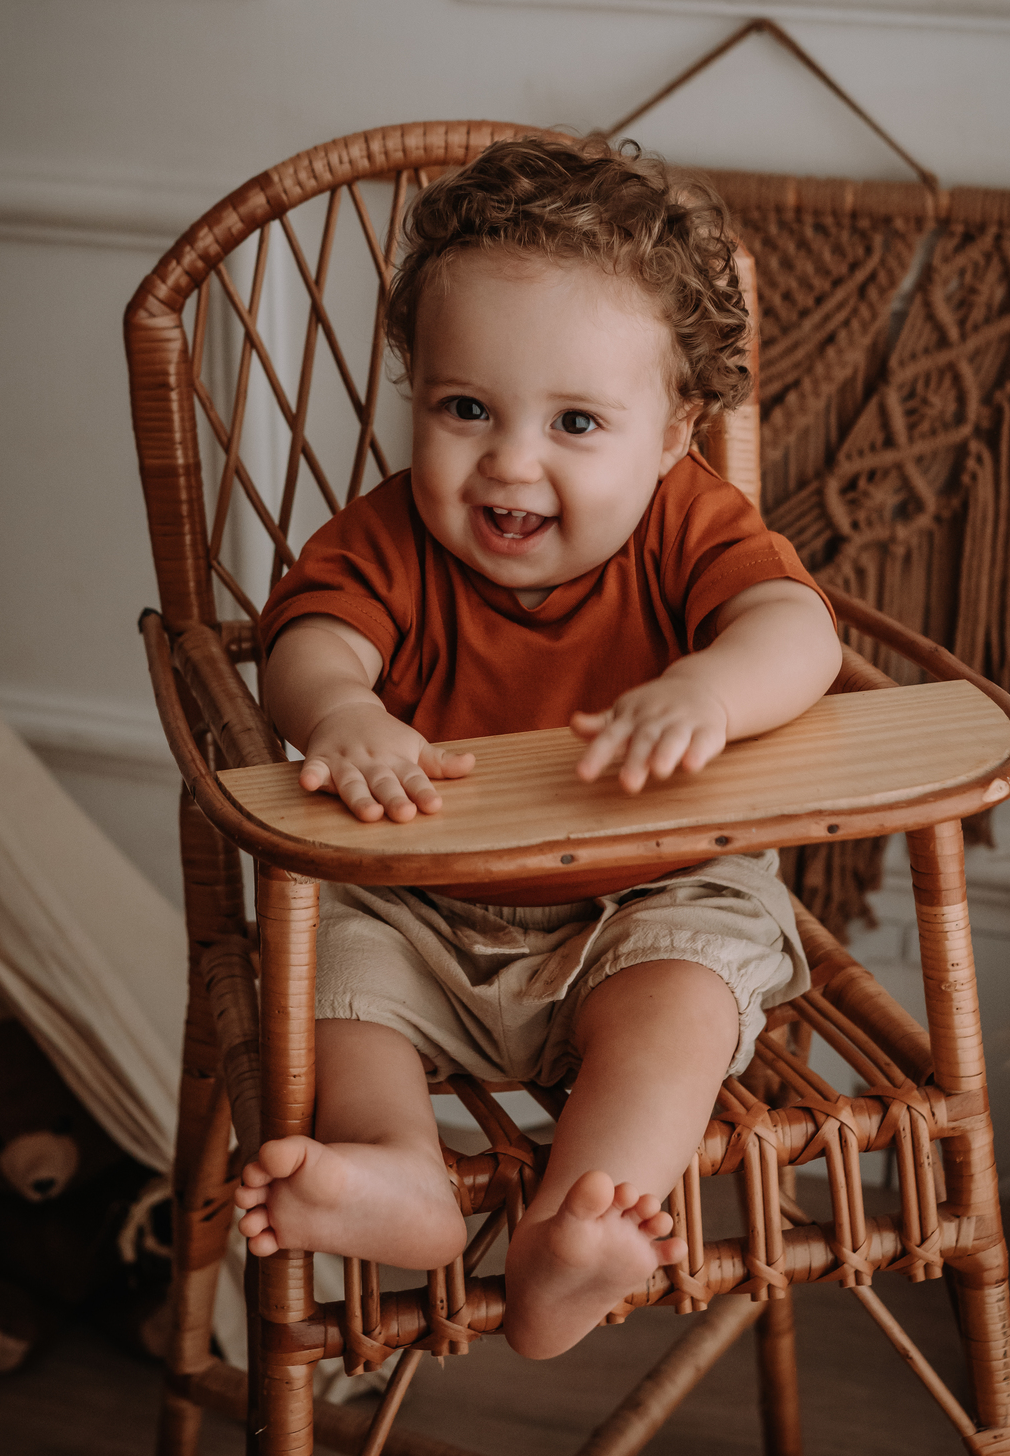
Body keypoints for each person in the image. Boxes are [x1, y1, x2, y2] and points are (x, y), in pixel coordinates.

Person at [234, 135, 841, 1359]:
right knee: (335, 962)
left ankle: (578, 1230)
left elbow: (800, 630)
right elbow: (310, 641)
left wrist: (709, 688)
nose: (510, 461)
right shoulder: (389, 538)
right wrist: (344, 713)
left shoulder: (687, 523)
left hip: (645, 892)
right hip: (423, 896)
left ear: (671, 432)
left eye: (575, 421)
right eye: (465, 408)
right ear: (417, 394)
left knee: (685, 991)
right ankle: (399, 1170)